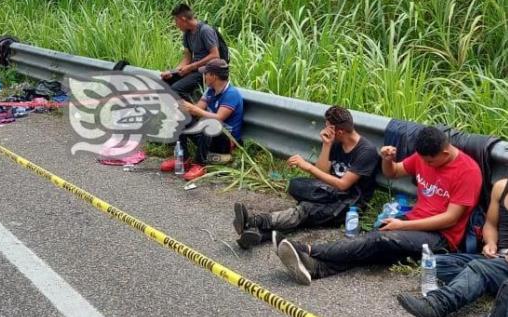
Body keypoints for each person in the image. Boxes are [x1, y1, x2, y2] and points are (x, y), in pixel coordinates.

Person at [275, 126, 483, 285]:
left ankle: (308, 250)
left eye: (430, 162)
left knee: (379, 239)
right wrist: (387, 159)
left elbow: (451, 219)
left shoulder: (468, 172)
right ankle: (316, 268)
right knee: (372, 243)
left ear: (445, 153)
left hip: (441, 236)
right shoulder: (423, 156)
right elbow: (393, 172)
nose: (425, 165)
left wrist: (402, 226)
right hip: (413, 220)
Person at [233, 106, 379, 249]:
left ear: (340, 131)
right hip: (330, 193)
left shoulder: (366, 151)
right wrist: (326, 145)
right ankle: (259, 235)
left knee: (305, 210)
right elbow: (321, 173)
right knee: (296, 185)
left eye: (328, 127)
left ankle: (254, 221)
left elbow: (343, 185)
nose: (325, 129)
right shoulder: (336, 143)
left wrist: (308, 166)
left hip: (349, 204)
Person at [397, 178, 508, 317]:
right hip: (498, 260)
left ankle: (437, 306)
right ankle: (483, 282)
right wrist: (490, 243)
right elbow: (490, 225)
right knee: (438, 263)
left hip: (498, 265)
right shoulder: (501, 187)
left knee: (480, 268)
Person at [159, 59, 243, 181]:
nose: (203, 76)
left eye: (206, 73)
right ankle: (183, 159)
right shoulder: (210, 91)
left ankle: (200, 164)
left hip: (225, 141)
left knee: (209, 123)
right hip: (209, 137)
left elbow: (219, 118)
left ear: (213, 76)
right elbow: (198, 110)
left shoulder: (231, 94)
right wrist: (183, 109)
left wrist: (194, 110)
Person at [160, 3, 221, 101]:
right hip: (194, 70)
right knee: (164, 82)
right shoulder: (186, 34)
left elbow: (215, 55)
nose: (175, 24)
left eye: (176, 20)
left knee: (176, 90)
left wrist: (191, 67)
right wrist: (173, 72)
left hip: (207, 71)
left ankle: (193, 112)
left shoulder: (205, 31)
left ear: (183, 19)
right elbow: (187, 58)